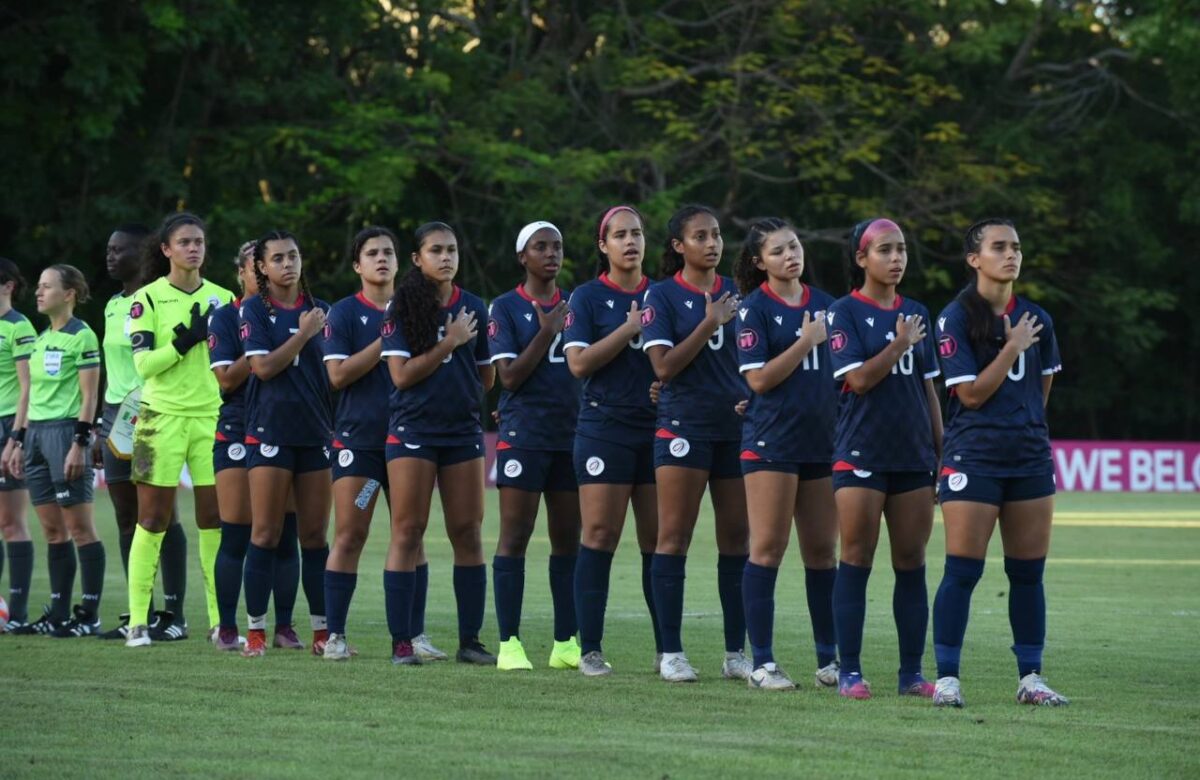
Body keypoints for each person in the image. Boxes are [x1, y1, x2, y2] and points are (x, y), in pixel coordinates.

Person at [931, 218, 1068, 707]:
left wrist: (1024, 425)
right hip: (974, 455)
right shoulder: (954, 319)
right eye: (999, 247)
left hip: (1028, 457)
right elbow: (968, 394)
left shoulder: (1038, 319)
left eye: (1016, 246)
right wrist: (1011, 347)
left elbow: (1041, 391)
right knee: (962, 571)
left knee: (1028, 574)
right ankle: (947, 678)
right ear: (974, 259)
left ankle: (1030, 678)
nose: (1011, 254)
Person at [826, 217, 943, 699]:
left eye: (901, 250)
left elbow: (929, 388)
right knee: (856, 557)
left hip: (913, 456)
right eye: (885, 250)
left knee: (912, 561)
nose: (896, 259)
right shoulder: (843, 313)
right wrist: (898, 343)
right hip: (861, 452)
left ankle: (911, 674)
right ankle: (849, 670)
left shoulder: (916, 311)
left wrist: (944, 452)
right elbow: (857, 380)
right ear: (861, 258)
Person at [321, 226, 446, 662]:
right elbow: (337, 376)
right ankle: (334, 635)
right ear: (357, 265)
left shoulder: (423, 307)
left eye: (388, 252)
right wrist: (389, 338)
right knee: (350, 533)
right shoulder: (342, 313)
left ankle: (415, 634)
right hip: (362, 444)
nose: (381, 259)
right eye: (371, 253)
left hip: (413, 440)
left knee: (413, 537)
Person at [642, 205, 751, 683]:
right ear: (678, 246)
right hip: (683, 428)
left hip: (735, 430)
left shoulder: (741, 294)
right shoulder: (661, 296)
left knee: (738, 540)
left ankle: (735, 653)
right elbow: (663, 368)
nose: (712, 243)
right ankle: (670, 653)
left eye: (717, 235)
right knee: (674, 538)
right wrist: (710, 322)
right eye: (701, 236)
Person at [381, 221, 495, 666]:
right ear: (417, 258)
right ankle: (402, 642)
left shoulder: (473, 307)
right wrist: (449, 342)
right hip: (412, 432)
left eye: (451, 250)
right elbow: (401, 376)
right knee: (408, 531)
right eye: (435, 250)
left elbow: (487, 376)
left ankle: (470, 641)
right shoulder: (401, 307)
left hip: (463, 433)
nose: (446, 257)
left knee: (467, 532)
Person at [732, 218, 840, 690]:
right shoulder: (753, 310)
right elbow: (757, 380)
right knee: (768, 549)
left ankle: (829, 661)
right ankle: (763, 663)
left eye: (794, 246)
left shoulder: (828, 305)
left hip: (823, 444)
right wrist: (804, 342)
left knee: (821, 552)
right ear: (760, 263)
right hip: (771, 444)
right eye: (777, 251)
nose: (790, 255)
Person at [124, 212, 234, 647]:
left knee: (214, 519)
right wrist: (183, 342)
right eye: (185, 242)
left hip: (211, 417)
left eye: (200, 241)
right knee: (151, 519)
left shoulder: (224, 298)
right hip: (157, 419)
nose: (194, 248)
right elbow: (144, 365)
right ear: (166, 249)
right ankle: (137, 622)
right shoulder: (146, 299)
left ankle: (218, 623)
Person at [563, 205, 663, 677]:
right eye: (620, 235)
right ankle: (591, 649)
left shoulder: (663, 295)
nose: (631, 242)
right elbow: (579, 365)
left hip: (660, 430)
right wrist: (628, 329)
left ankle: (668, 650)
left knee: (658, 541)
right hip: (604, 429)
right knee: (600, 535)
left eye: (637, 233)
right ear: (603, 246)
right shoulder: (586, 298)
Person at [487, 221, 581, 671]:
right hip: (524, 437)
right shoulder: (504, 308)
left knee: (568, 541)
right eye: (540, 247)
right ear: (522, 257)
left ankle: (566, 642)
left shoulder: (579, 303)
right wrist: (546, 331)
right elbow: (507, 377)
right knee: (515, 537)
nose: (551, 253)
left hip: (573, 437)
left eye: (557, 246)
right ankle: (509, 643)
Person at [238, 230, 333, 658]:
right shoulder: (254, 312)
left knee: (314, 535)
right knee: (266, 532)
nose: (288, 264)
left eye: (293, 255)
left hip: (315, 434)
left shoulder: (322, 311)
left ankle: (322, 632)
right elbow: (261, 368)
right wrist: (302, 334)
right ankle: (255, 631)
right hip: (270, 431)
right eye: (278, 258)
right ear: (262, 267)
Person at [94, 224, 189, 641]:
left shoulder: (160, 297)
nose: (110, 256)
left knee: (161, 514)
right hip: (116, 419)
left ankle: (174, 615)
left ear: (143, 252)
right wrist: (99, 423)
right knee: (126, 516)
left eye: (119, 249)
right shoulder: (113, 305)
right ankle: (140, 613)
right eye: (108, 249)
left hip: (153, 413)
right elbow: (110, 369)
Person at [209, 242, 303, 651]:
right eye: (257, 269)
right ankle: (228, 627)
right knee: (237, 532)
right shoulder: (227, 317)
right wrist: (262, 344)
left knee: (286, 534)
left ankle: (284, 626)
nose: (266, 276)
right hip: (236, 429)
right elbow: (227, 380)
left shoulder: (298, 311)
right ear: (245, 273)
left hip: (285, 430)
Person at [5, 265, 105, 636]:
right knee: (52, 531)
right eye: (39, 286)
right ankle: (59, 612)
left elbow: (90, 395)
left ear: (69, 294)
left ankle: (89, 615)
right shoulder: (44, 337)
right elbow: (31, 395)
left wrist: (79, 444)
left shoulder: (83, 336)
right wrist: (18, 440)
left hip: (65, 434)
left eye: (47, 287)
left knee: (80, 529)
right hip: (35, 438)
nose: (38, 292)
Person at [0, 258, 36, 632]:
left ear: (8, 285)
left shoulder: (19, 328)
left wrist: (16, 436)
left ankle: (19, 613)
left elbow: (28, 386)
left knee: (11, 523)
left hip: (8, 426)